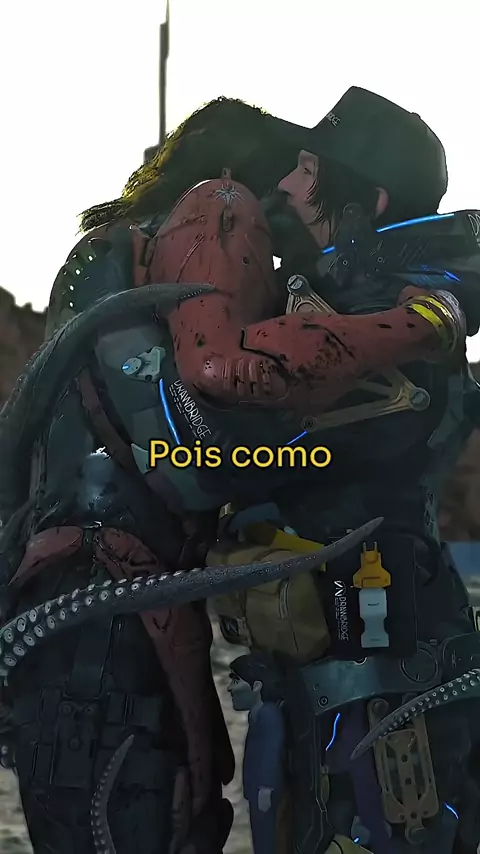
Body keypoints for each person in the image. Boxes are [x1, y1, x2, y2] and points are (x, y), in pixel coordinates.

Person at [0, 87, 479, 854]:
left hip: (382, 666)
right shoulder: (299, 288)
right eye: (284, 168)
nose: (284, 188)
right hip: (183, 633)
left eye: (306, 170)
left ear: (370, 197)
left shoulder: (382, 302)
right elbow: (215, 420)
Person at [227, 653, 287, 854]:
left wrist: (266, 787)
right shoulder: (260, 715)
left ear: (257, 686)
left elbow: (271, 750)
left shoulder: (268, 716)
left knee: (267, 839)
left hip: (264, 793)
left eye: (236, 681)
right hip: (257, 793)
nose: (230, 688)